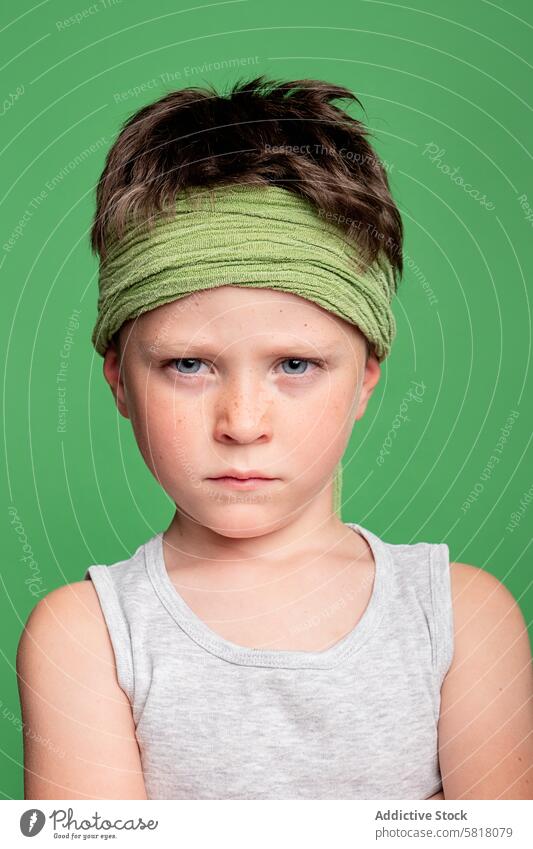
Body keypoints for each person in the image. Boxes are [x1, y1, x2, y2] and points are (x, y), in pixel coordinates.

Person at [16, 76, 532, 800]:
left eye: (295, 364)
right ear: (118, 378)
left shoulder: (461, 619)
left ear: (364, 379)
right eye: (187, 364)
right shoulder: (86, 636)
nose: (242, 422)